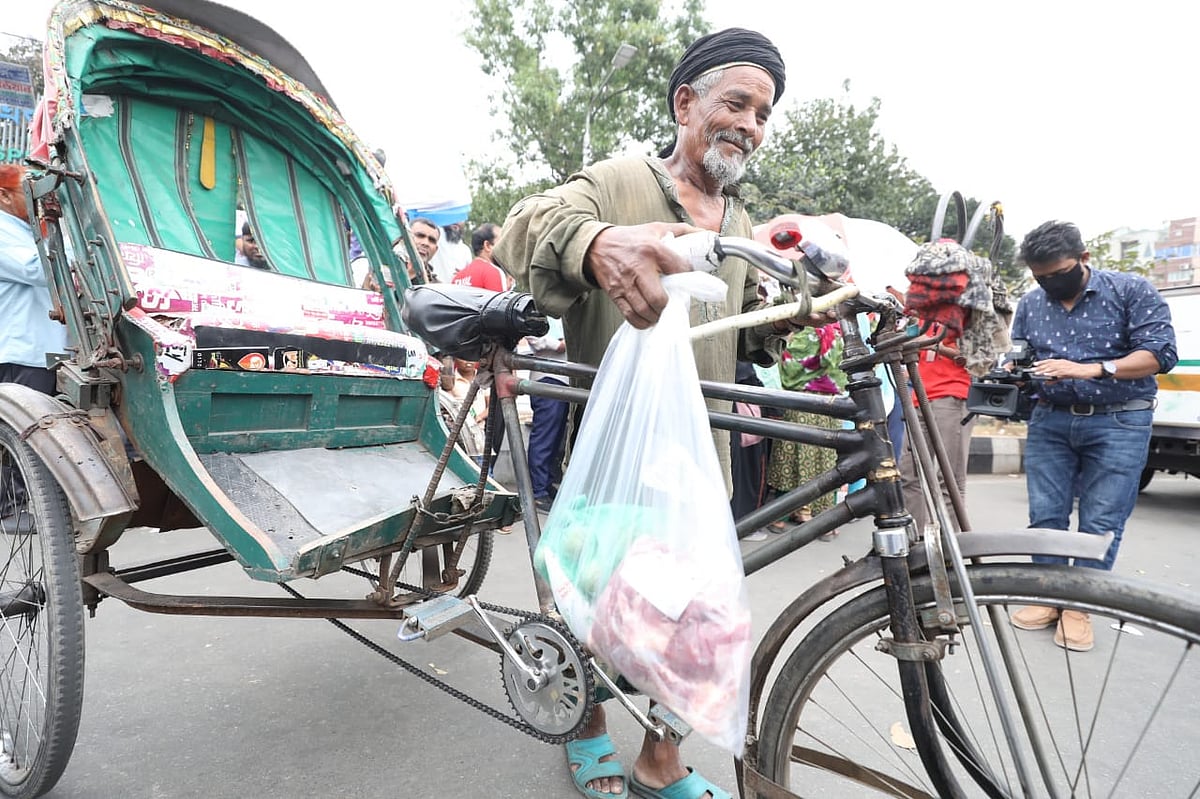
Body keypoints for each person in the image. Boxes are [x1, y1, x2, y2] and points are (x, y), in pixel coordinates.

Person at [494, 26, 810, 799]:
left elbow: (734, 332)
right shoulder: (620, 182)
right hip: (616, 444)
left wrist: (785, 312)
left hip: (703, 450)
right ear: (685, 104)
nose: (750, 125)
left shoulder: (738, 225)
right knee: (602, 598)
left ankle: (660, 755)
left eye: (763, 114)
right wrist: (598, 241)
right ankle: (589, 727)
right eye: (736, 102)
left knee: (696, 610)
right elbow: (519, 231)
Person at [1007, 220, 1176, 652]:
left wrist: (1092, 368)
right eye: (1040, 276)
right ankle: (1047, 596)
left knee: (1101, 520)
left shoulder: (1130, 291)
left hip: (1119, 419)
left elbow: (1160, 354)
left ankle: (1080, 607)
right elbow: (1022, 352)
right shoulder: (1031, 303)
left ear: (1083, 259)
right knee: (1046, 516)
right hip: (1050, 418)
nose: (1049, 282)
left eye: (1058, 273)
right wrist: (1014, 372)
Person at [0, 163, 69, 527]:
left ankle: (37, 499)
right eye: (29, 189)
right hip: (20, 349)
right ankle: (9, 507)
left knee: (47, 427)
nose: (39, 197)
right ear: (4, 196)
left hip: (46, 347)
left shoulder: (25, 229)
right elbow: (36, 268)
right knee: (21, 429)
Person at [765, 324, 847, 539]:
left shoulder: (797, 338)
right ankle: (824, 520)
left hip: (800, 404)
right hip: (830, 406)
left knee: (793, 460)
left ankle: (782, 515)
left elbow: (786, 372)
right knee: (825, 462)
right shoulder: (838, 337)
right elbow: (844, 373)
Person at [898, 321, 974, 536]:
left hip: (952, 397)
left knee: (948, 478)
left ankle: (948, 546)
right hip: (919, 395)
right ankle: (916, 542)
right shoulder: (922, 316)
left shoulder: (966, 311)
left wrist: (933, 345)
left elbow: (977, 358)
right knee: (908, 473)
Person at [525, 317, 569, 513]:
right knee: (545, 436)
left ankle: (545, 484)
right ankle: (537, 491)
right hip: (548, 377)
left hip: (562, 378)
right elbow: (532, 335)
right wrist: (559, 344)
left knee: (555, 437)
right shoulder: (539, 308)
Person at [452, 222, 510, 291]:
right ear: (487, 245)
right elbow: (499, 301)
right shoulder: (493, 272)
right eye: (501, 242)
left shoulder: (457, 278)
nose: (505, 248)